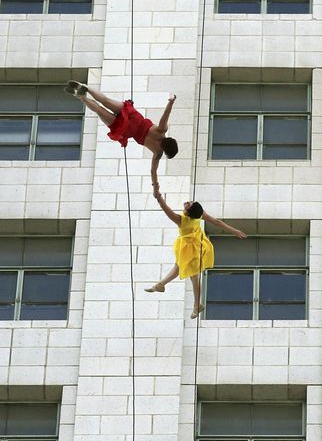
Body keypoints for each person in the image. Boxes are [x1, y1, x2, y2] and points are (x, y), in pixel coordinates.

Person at [146, 181, 247, 319]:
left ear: (188, 212)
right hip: (195, 244)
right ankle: (161, 285)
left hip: (192, 249)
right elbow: (216, 222)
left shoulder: (181, 220)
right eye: (190, 202)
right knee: (179, 267)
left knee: (194, 277)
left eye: (189, 205)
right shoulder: (199, 214)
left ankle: (196, 305)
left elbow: (165, 208)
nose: (187, 202)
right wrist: (234, 231)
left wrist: (158, 196)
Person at [64, 80, 179, 174]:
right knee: (99, 110)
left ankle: (85, 87)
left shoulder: (161, 131)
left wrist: (171, 102)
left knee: (105, 101)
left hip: (133, 116)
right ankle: (81, 97)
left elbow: (165, 116)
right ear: (166, 150)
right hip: (125, 130)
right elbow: (153, 170)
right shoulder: (157, 152)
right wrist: (155, 187)